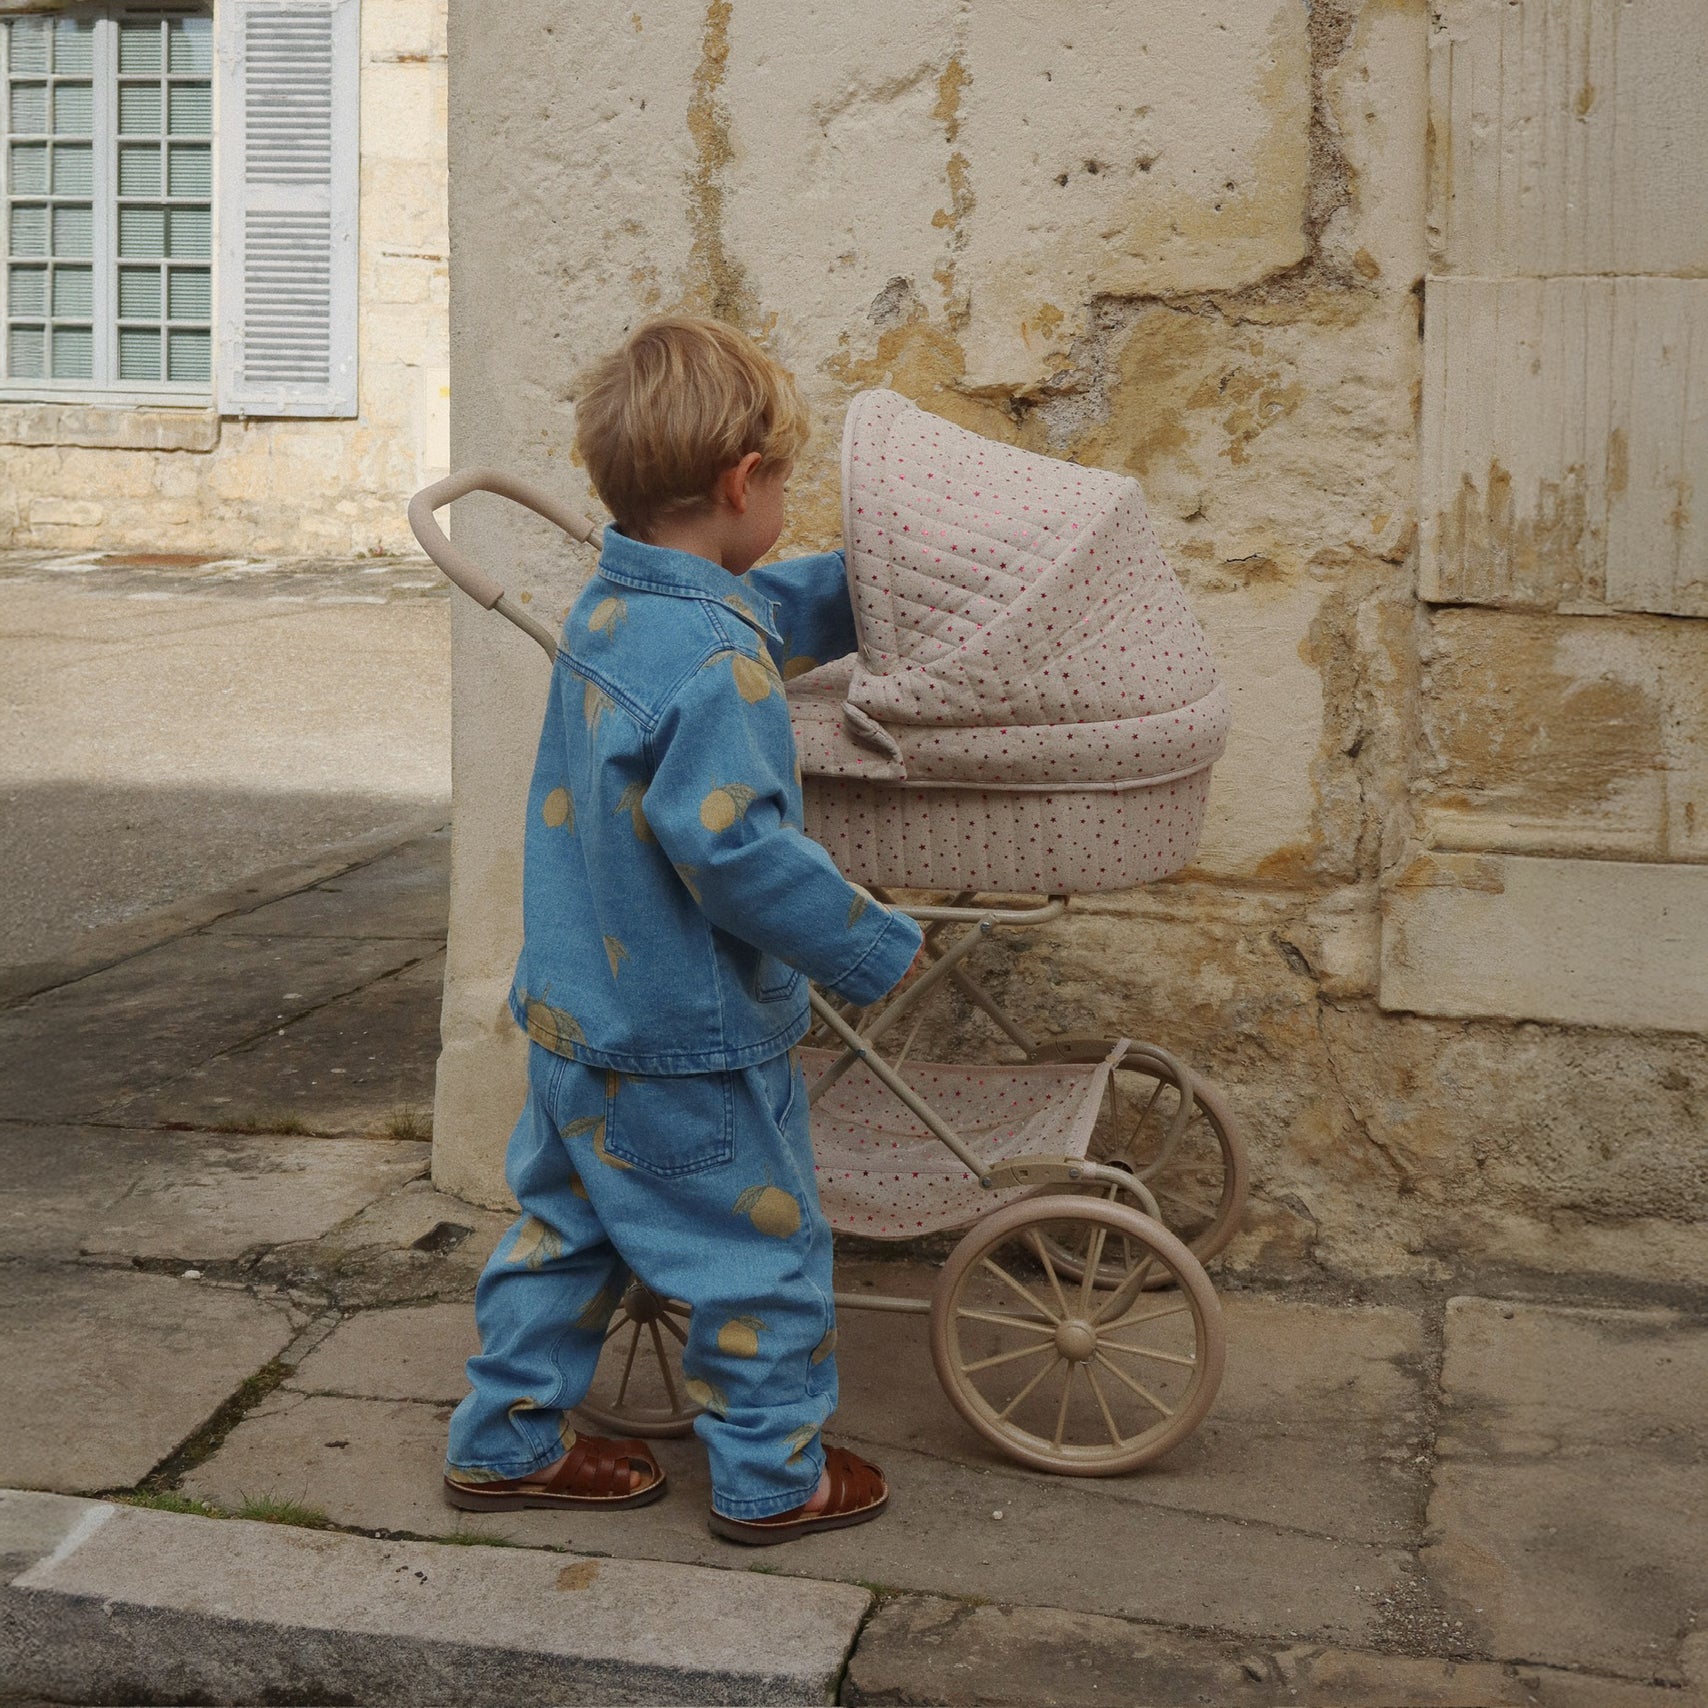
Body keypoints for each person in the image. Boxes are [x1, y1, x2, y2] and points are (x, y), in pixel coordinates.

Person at [442, 316, 922, 1544]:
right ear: (738, 483)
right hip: (683, 1037)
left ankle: (504, 1443)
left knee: (567, 1232)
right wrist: (864, 943)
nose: (789, 506)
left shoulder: (617, 605)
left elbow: (749, 605)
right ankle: (774, 1475)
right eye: (786, 484)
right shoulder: (718, 665)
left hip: (574, 1018)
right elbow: (736, 849)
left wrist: (867, 592)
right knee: (756, 1253)